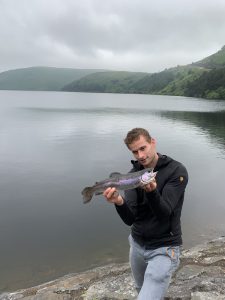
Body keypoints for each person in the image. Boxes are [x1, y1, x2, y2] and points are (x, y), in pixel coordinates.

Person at [103, 128, 188, 300]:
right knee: (140, 288)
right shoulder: (133, 176)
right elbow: (130, 219)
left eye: (143, 148)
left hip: (164, 247)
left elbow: (164, 213)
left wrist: (152, 192)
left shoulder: (176, 171)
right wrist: (119, 202)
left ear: (152, 142)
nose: (140, 156)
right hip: (137, 245)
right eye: (135, 151)